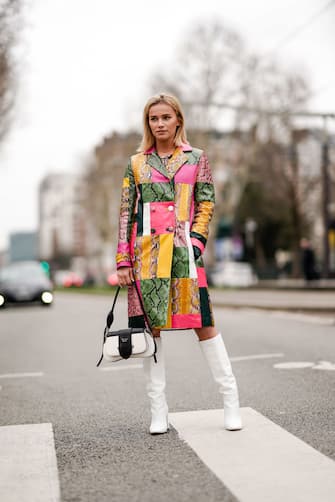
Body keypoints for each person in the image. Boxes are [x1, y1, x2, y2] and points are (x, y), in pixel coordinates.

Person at [116, 94, 242, 434]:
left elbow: (206, 203)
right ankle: (159, 411)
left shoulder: (196, 158)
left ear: (178, 121)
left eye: (165, 117)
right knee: (151, 331)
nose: (159, 124)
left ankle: (231, 401)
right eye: (153, 118)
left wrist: (197, 242)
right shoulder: (137, 164)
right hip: (147, 257)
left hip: (185, 253)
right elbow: (127, 213)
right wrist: (123, 259)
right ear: (148, 124)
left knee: (204, 324)